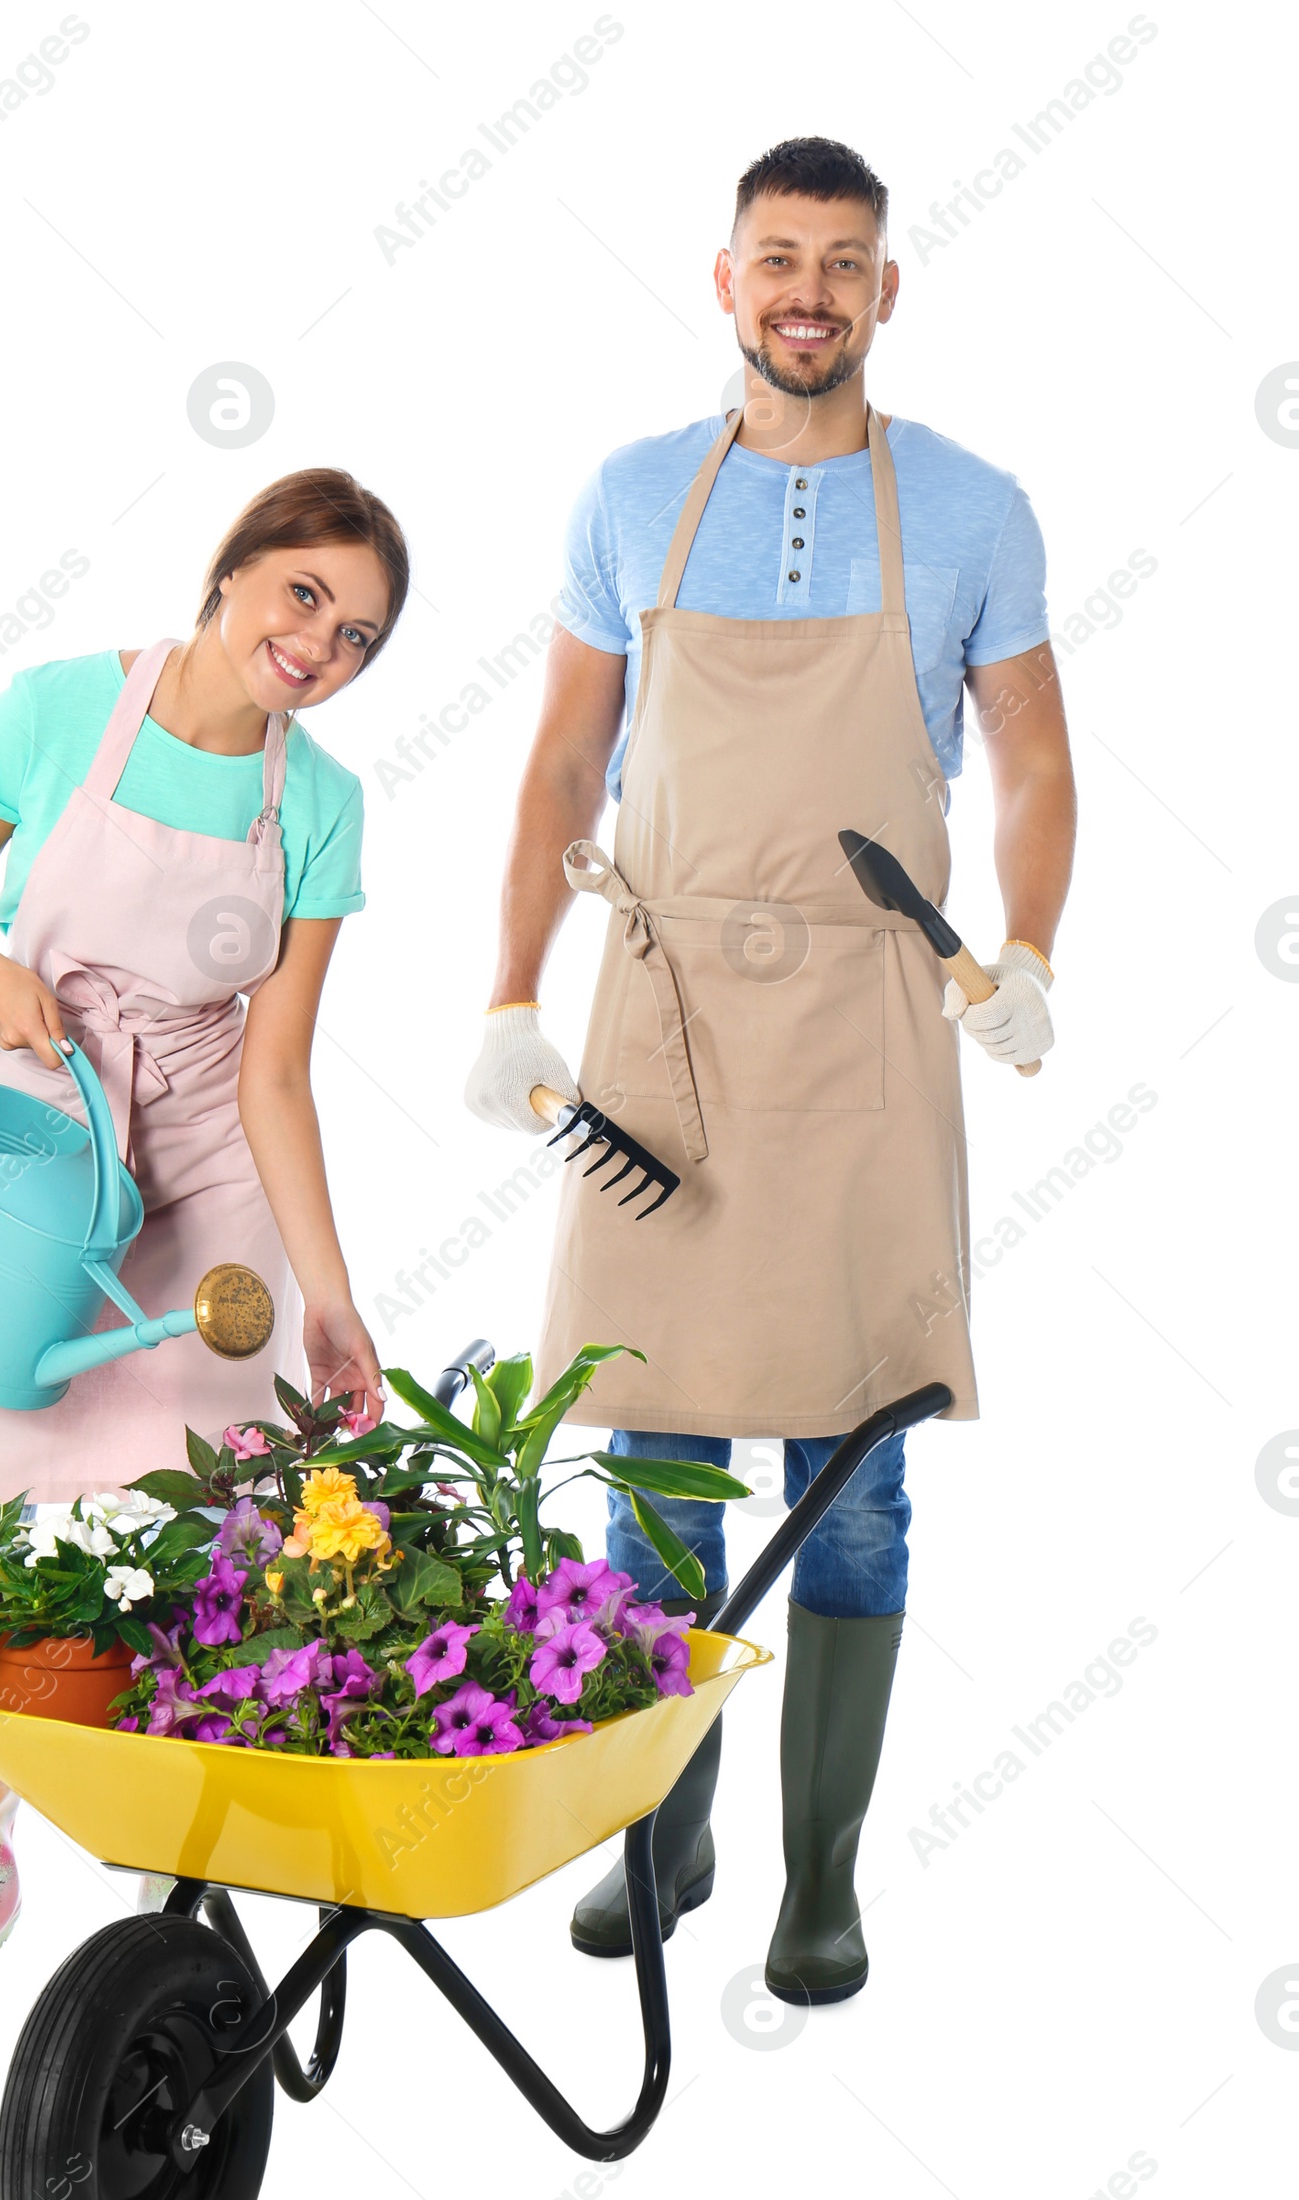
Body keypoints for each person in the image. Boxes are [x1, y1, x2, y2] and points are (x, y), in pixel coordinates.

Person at [465, 137, 1075, 2003]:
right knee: (657, 1466)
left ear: (890, 290)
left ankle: (823, 1874)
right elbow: (568, 764)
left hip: (873, 1031)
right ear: (722, 279)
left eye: (845, 261)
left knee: (858, 1469)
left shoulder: (972, 509)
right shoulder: (635, 494)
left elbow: (1036, 763)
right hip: (664, 1030)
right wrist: (508, 990)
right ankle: (667, 1833)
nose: (809, 288)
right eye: (776, 258)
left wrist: (1030, 950)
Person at [0, 468, 407, 2013]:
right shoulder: (58, 711)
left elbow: (277, 1071)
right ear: (234, 567)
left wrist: (331, 1301)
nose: (319, 644)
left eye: (360, 634)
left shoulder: (318, 805)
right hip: (44, 1149)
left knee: (223, 1516)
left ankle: (182, 1887)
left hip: (203, 1170)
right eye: (304, 593)